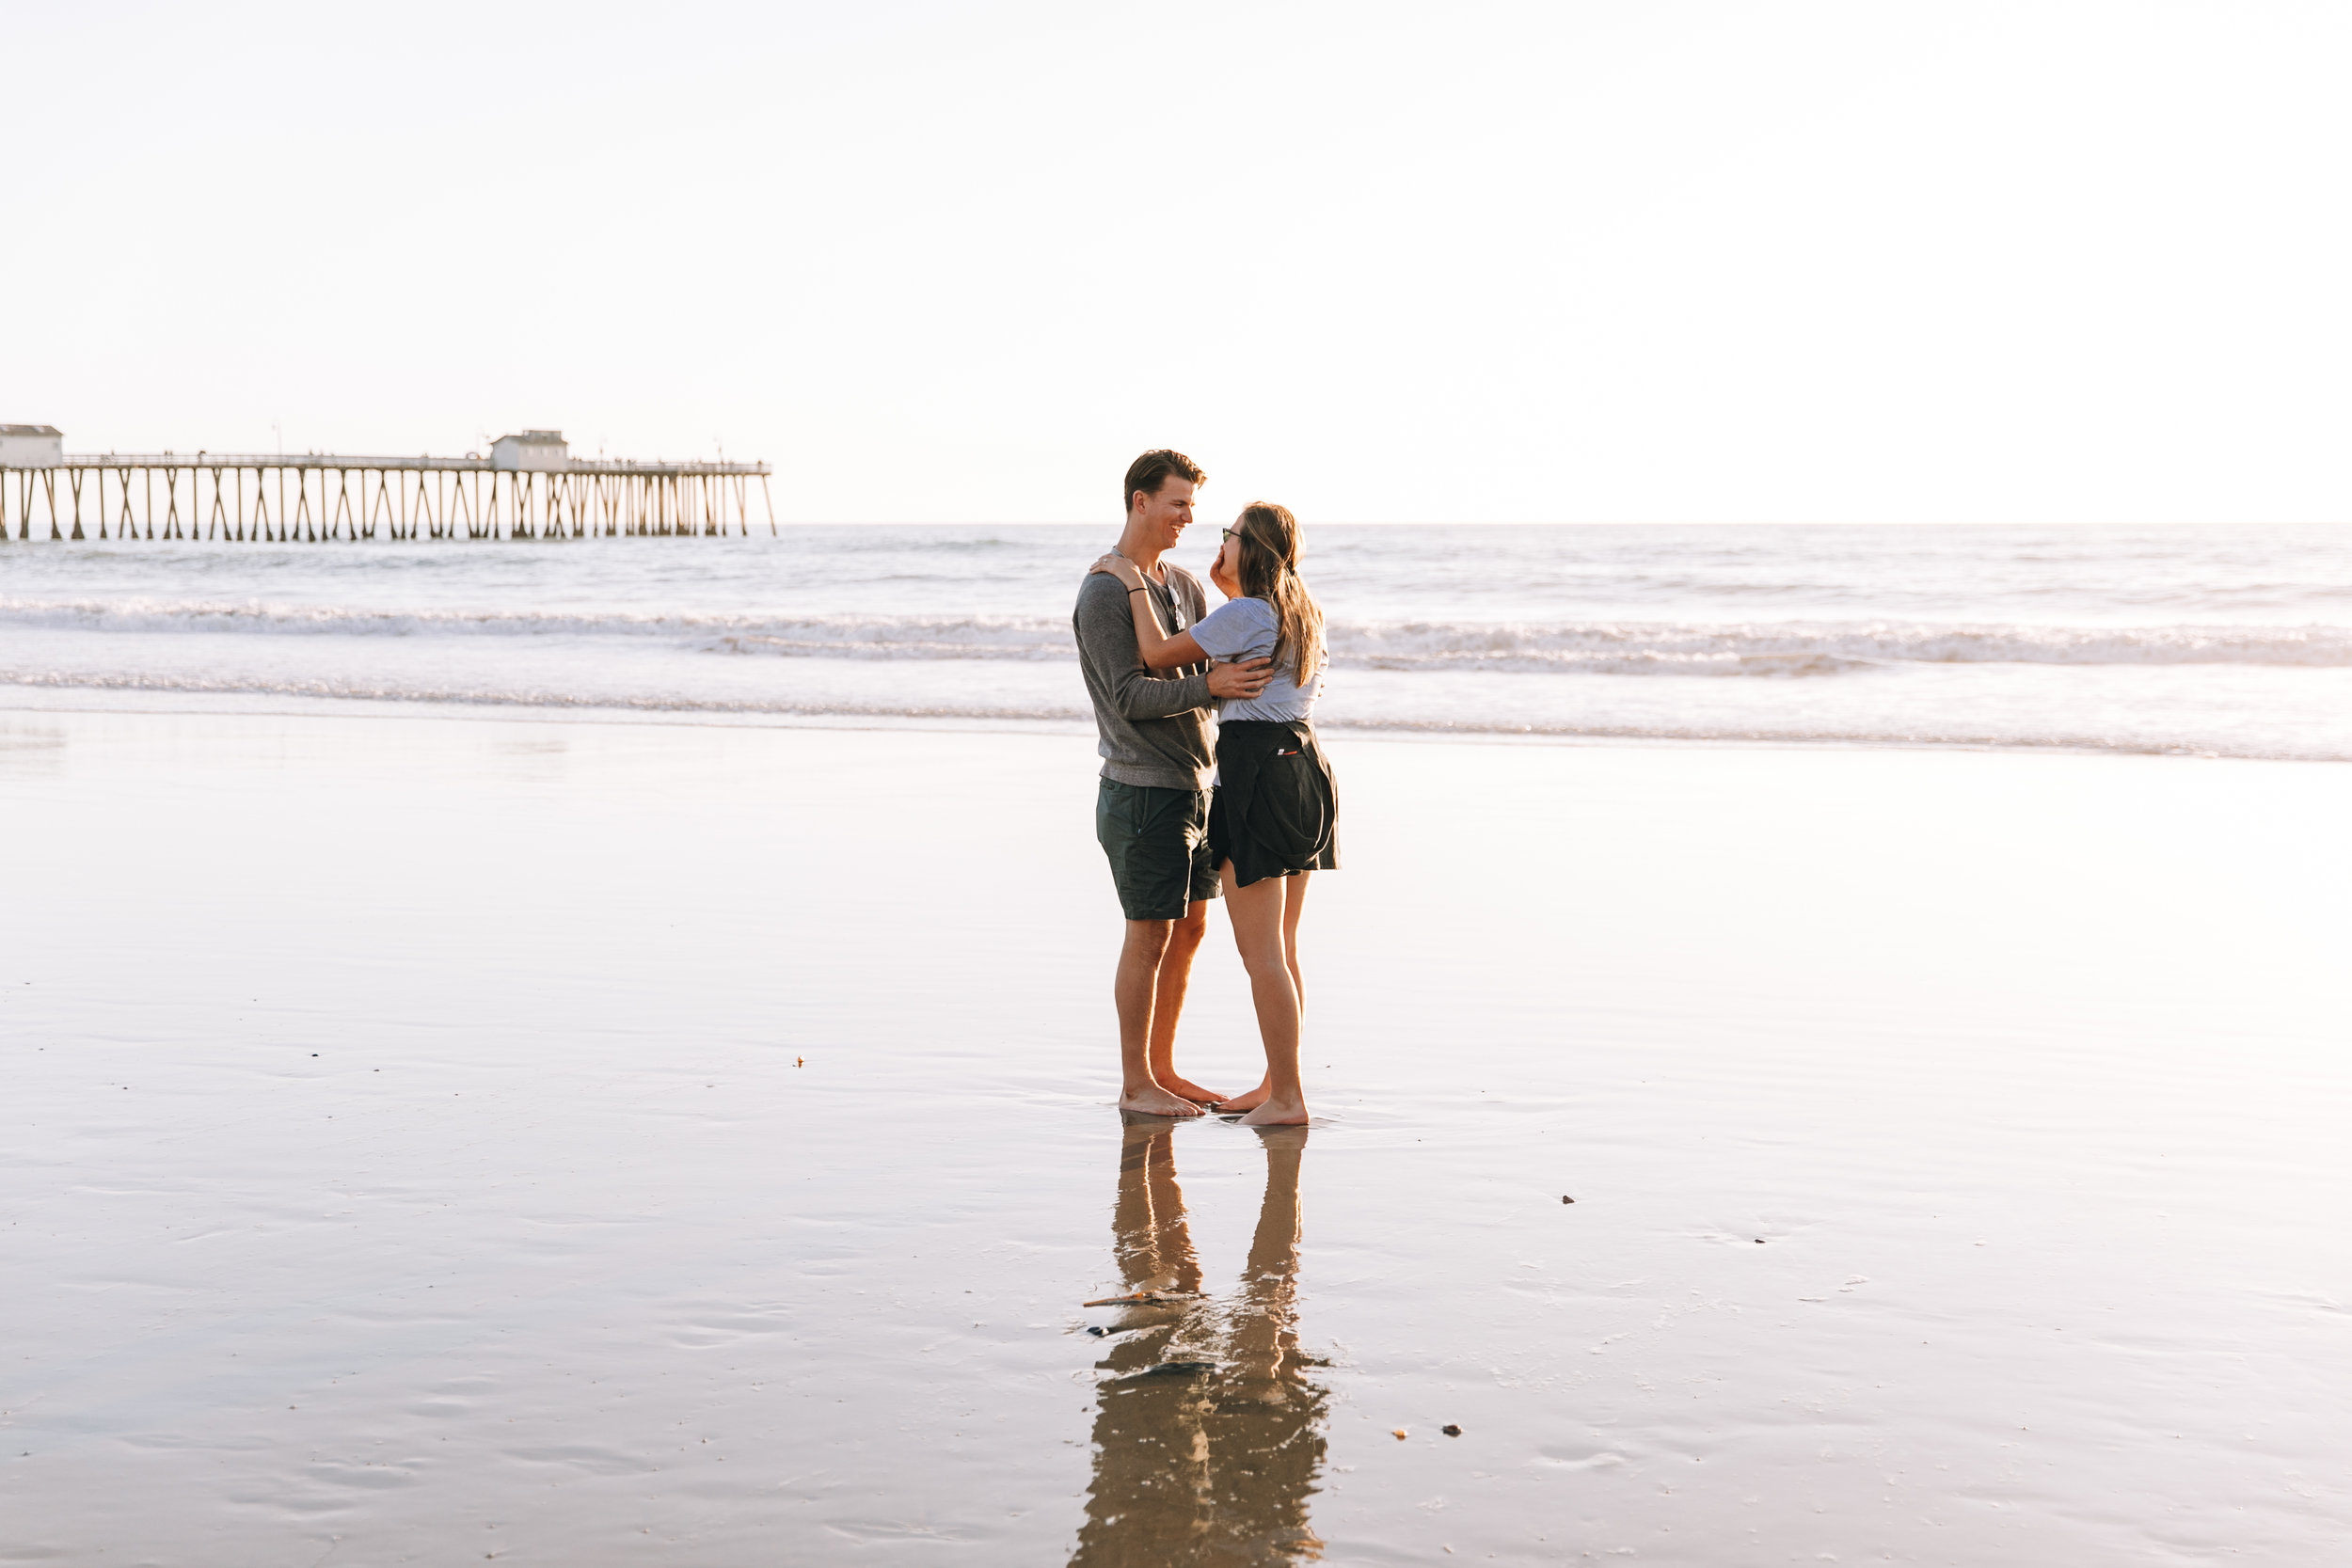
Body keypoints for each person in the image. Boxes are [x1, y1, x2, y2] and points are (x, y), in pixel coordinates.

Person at [1090, 501, 1337, 1127]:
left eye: (1226, 536)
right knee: (1283, 945)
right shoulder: (1300, 611)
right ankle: (1276, 1082)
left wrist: (1127, 579)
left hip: (1257, 777)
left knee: (1263, 956)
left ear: (1247, 548)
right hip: (1306, 769)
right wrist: (1229, 584)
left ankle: (1287, 1099)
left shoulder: (1246, 613)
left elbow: (1153, 653)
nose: (1216, 543)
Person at [1073, 451, 1273, 1118]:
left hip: (1195, 783)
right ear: (1140, 502)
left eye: (1193, 505)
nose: (1190, 517)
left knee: (1189, 930)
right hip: (1139, 787)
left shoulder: (1183, 585)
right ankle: (1135, 1085)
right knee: (1148, 933)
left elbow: (1208, 669)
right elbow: (1128, 694)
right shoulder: (1104, 590)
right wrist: (1211, 685)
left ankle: (1163, 1068)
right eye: (1178, 504)